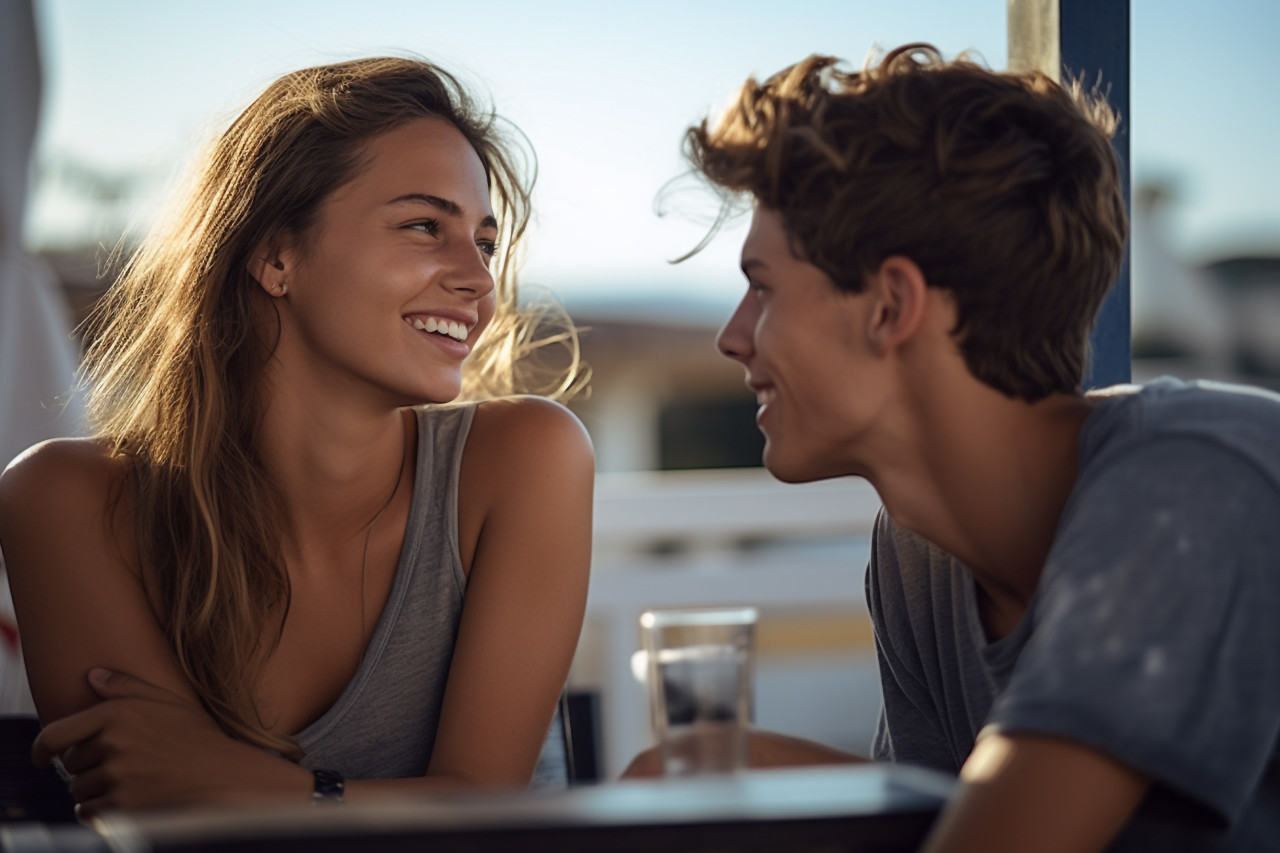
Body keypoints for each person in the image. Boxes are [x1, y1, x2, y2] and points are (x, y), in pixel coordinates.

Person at [670, 43, 1280, 851]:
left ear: (890, 306)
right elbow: (949, 820)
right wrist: (738, 769)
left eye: (764, 287)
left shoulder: (1192, 482)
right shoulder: (918, 553)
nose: (731, 337)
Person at [0, 57, 594, 815]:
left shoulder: (526, 460)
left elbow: (483, 811)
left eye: (482, 241)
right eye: (424, 226)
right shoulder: (63, 500)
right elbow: (162, 811)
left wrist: (276, 788)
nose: (478, 278)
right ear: (276, 254)